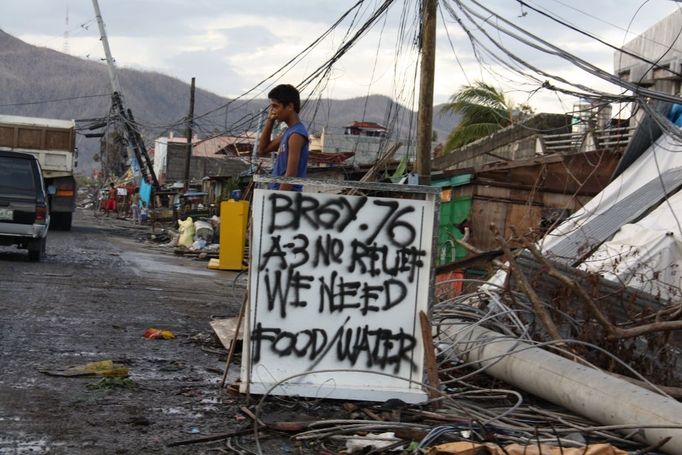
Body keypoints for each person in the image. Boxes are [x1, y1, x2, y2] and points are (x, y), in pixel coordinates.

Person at [258, 84, 309, 191]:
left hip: (285, 198)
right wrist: (270, 121)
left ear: (290, 106)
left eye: (275, 106)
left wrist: (278, 200)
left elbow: (290, 174)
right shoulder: (289, 132)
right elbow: (262, 149)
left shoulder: (296, 134)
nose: (272, 111)